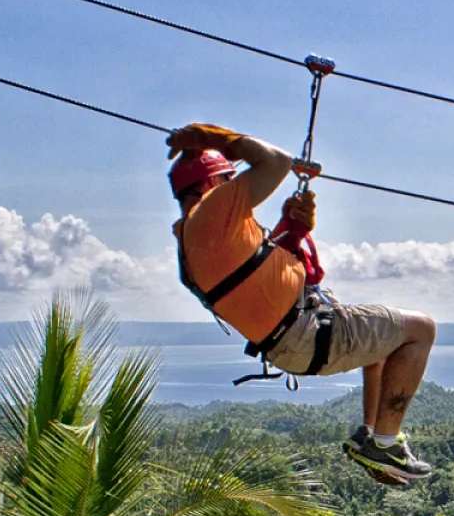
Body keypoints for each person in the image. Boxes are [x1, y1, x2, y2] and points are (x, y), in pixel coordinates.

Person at [166, 123, 436, 484]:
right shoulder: (212, 211)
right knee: (421, 330)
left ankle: (370, 436)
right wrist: (210, 138)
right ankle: (386, 444)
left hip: (290, 342)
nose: (236, 186)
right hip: (307, 333)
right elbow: (275, 161)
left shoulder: (194, 240)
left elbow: (253, 275)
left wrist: (289, 230)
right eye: (229, 178)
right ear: (214, 182)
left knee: (381, 352)